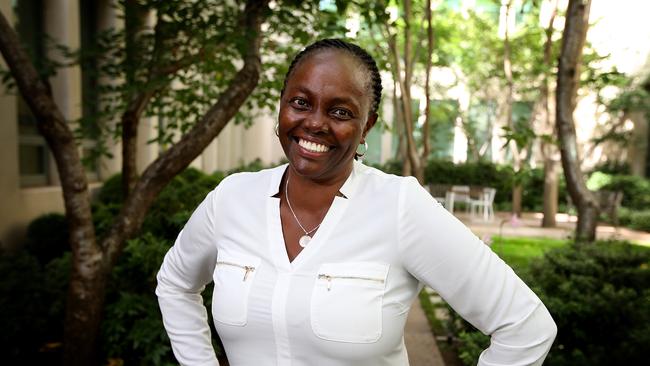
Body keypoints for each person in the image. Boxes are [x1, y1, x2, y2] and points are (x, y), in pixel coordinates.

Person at [156, 38, 557, 366]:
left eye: (340, 111)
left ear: (366, 125)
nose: (314, 122)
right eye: (300, 102)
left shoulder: (401, 207)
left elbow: (525, 326)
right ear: (280, 107)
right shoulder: (232, 198)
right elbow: (175, 282)